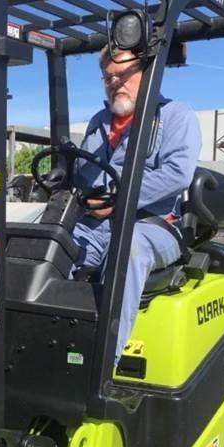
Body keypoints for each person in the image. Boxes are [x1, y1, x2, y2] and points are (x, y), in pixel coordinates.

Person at [72, 46, 201, 366]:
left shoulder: (175, 115)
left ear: (145, 73)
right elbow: (84, 172)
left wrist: (118, 198)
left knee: (127, 248)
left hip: (152, 226)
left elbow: (177, 174)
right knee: (49, 247)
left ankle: (103, 364)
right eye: (108, 77)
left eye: (123, 74)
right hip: (97, 224)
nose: (115, 82)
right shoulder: (99, 122)